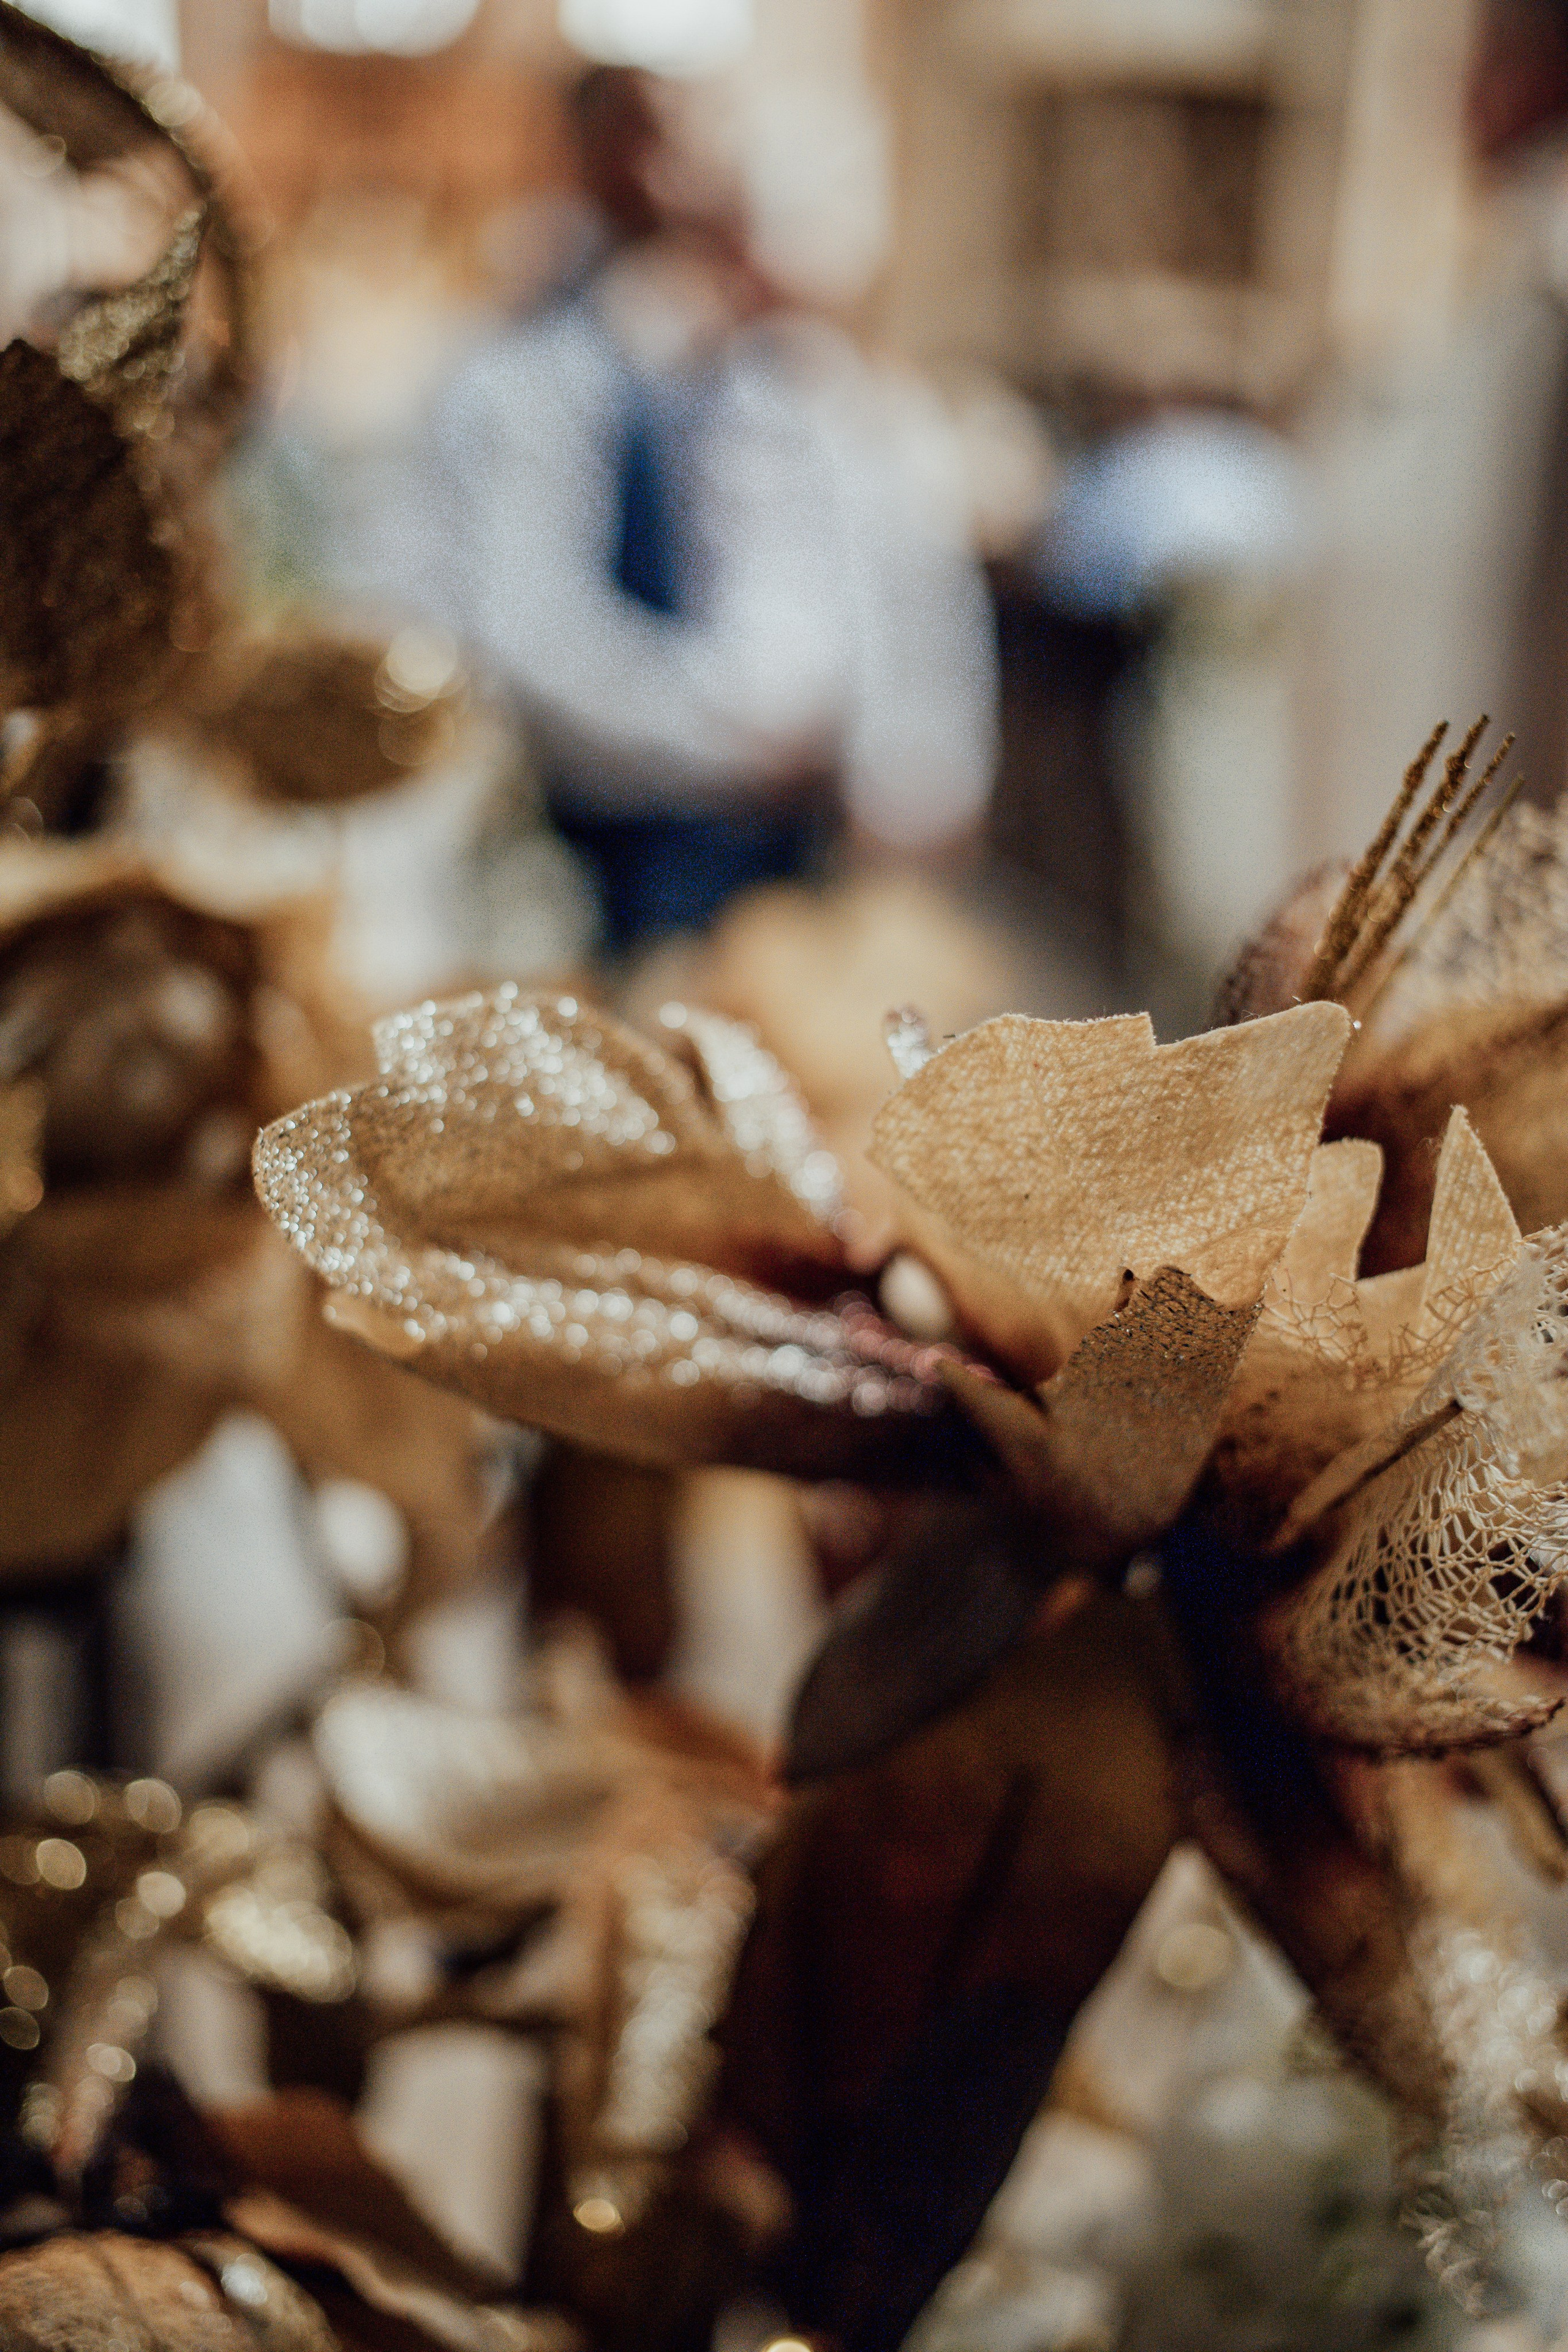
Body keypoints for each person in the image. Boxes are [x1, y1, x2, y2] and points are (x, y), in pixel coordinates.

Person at [397, 65, 998, 954]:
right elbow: (528, 627)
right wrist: (723, 733)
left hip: (804, 826)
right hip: (629, 828)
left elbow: (885, 585)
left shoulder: (802, 382)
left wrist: (906, 768)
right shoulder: (545, 368)